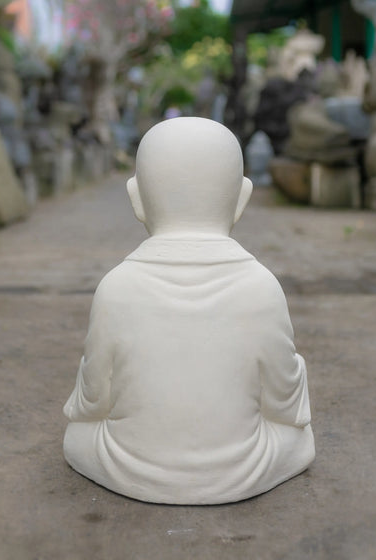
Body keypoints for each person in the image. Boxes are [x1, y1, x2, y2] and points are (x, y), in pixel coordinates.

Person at [63, 117, 315, 504]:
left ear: (137, 199)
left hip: (129, 466)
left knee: (77, 436)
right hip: (243, 470)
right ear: (241, 200)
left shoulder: (115, 286)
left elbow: (93, 401)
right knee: (298, 438)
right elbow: (284, 404)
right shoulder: (263, 286)